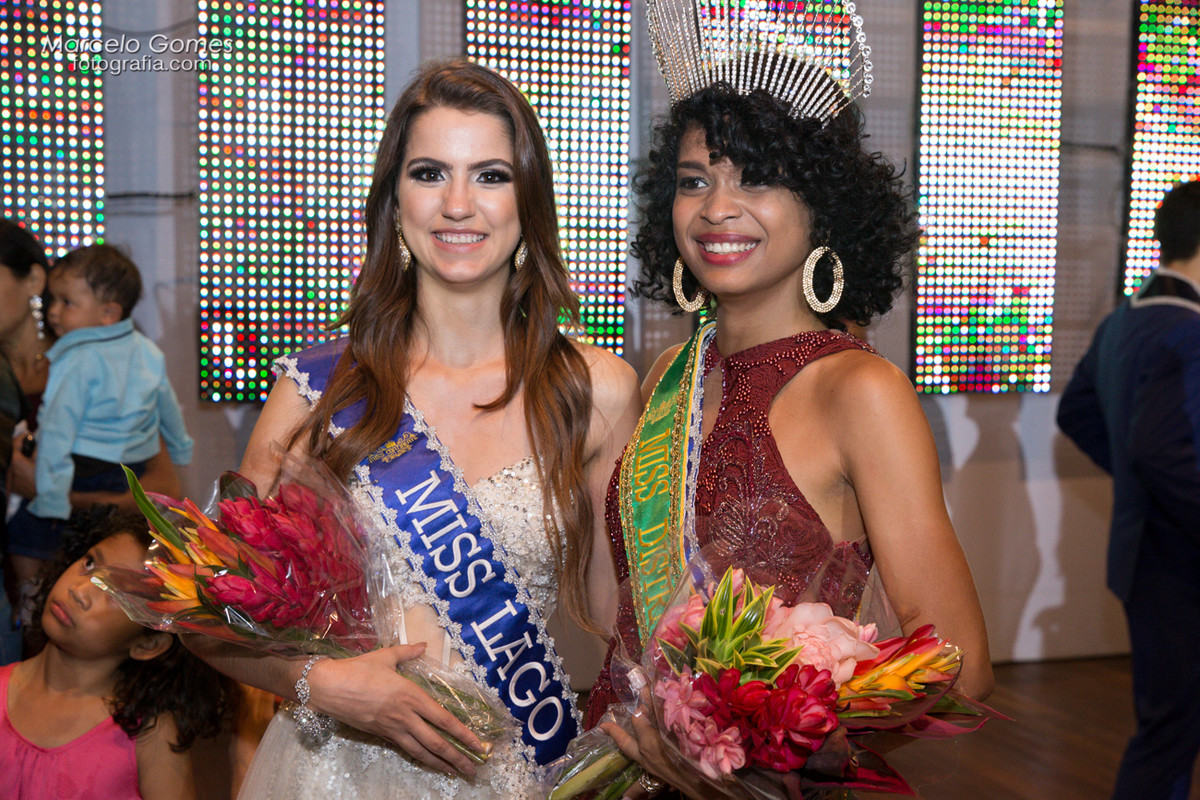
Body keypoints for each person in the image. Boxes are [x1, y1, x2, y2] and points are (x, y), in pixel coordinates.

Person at [186, 58, 641, 800]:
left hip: (511, 771)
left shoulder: (595, 391)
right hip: (331, 770)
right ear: (395, 201)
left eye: (490, 176)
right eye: (430, 174)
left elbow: (624, 634)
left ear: (528, 201)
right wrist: (323, 683)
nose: (458, 204)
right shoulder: (319, 388)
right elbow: (205, 610)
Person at [583, 6, 993, 797]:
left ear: (824, 207)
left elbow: (962, 666)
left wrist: (767, 746)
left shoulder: (859, 390)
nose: (716, 208)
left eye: (757, 178)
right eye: (695, 180)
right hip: (624, 767)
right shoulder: (670, 372)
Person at [1057, 180, 1200, 800]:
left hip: (1145, 555)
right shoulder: (1187, 329)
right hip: (1179, 559)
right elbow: (1161, 449)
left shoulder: (1125, 318)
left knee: (1168, 723)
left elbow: (1077, 412)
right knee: (1172, 733)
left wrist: (1136, 477)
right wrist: (1149, 474)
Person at [0, 506, 232, 799]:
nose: (79, 591)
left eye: (113, 594)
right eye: (89, 563)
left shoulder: (148, 735)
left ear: (148, 644)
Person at [6, 244, 194, 595]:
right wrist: (182, 445)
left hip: (80, 468)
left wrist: (52, 495)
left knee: (28, 534)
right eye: (53, 300)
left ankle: (29, 597)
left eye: (67, 302)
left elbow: (58, 428)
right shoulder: (147, 351)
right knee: (105, 554)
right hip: (128, 470)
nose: (54, 311)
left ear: (108, 313)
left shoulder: (74, 358)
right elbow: (167, 405)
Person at [0, 219, 52, 663]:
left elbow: (159, 485)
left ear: (34, 279)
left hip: (73, 586)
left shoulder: (95, 363)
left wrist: (55, 490)